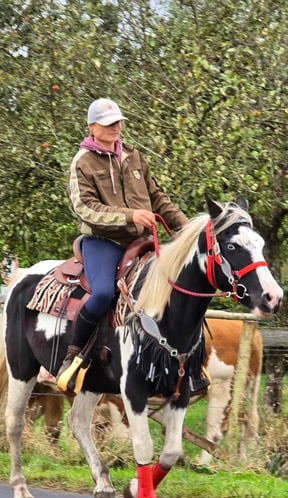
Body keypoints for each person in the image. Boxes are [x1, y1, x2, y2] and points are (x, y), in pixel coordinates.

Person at [56, 98, 189, 391]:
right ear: (92, 127)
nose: (116, 128)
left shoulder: (134, 156)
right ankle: (74, 354)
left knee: (178, 282)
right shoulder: (82, 162)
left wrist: (187, 227)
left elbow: (157, 198)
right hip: (103, 241)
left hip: (140, 241)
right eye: (108, 124)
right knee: (103, 291)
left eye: (118, 123)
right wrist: (130, 215)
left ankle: (180, 359)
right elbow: (84, 208)